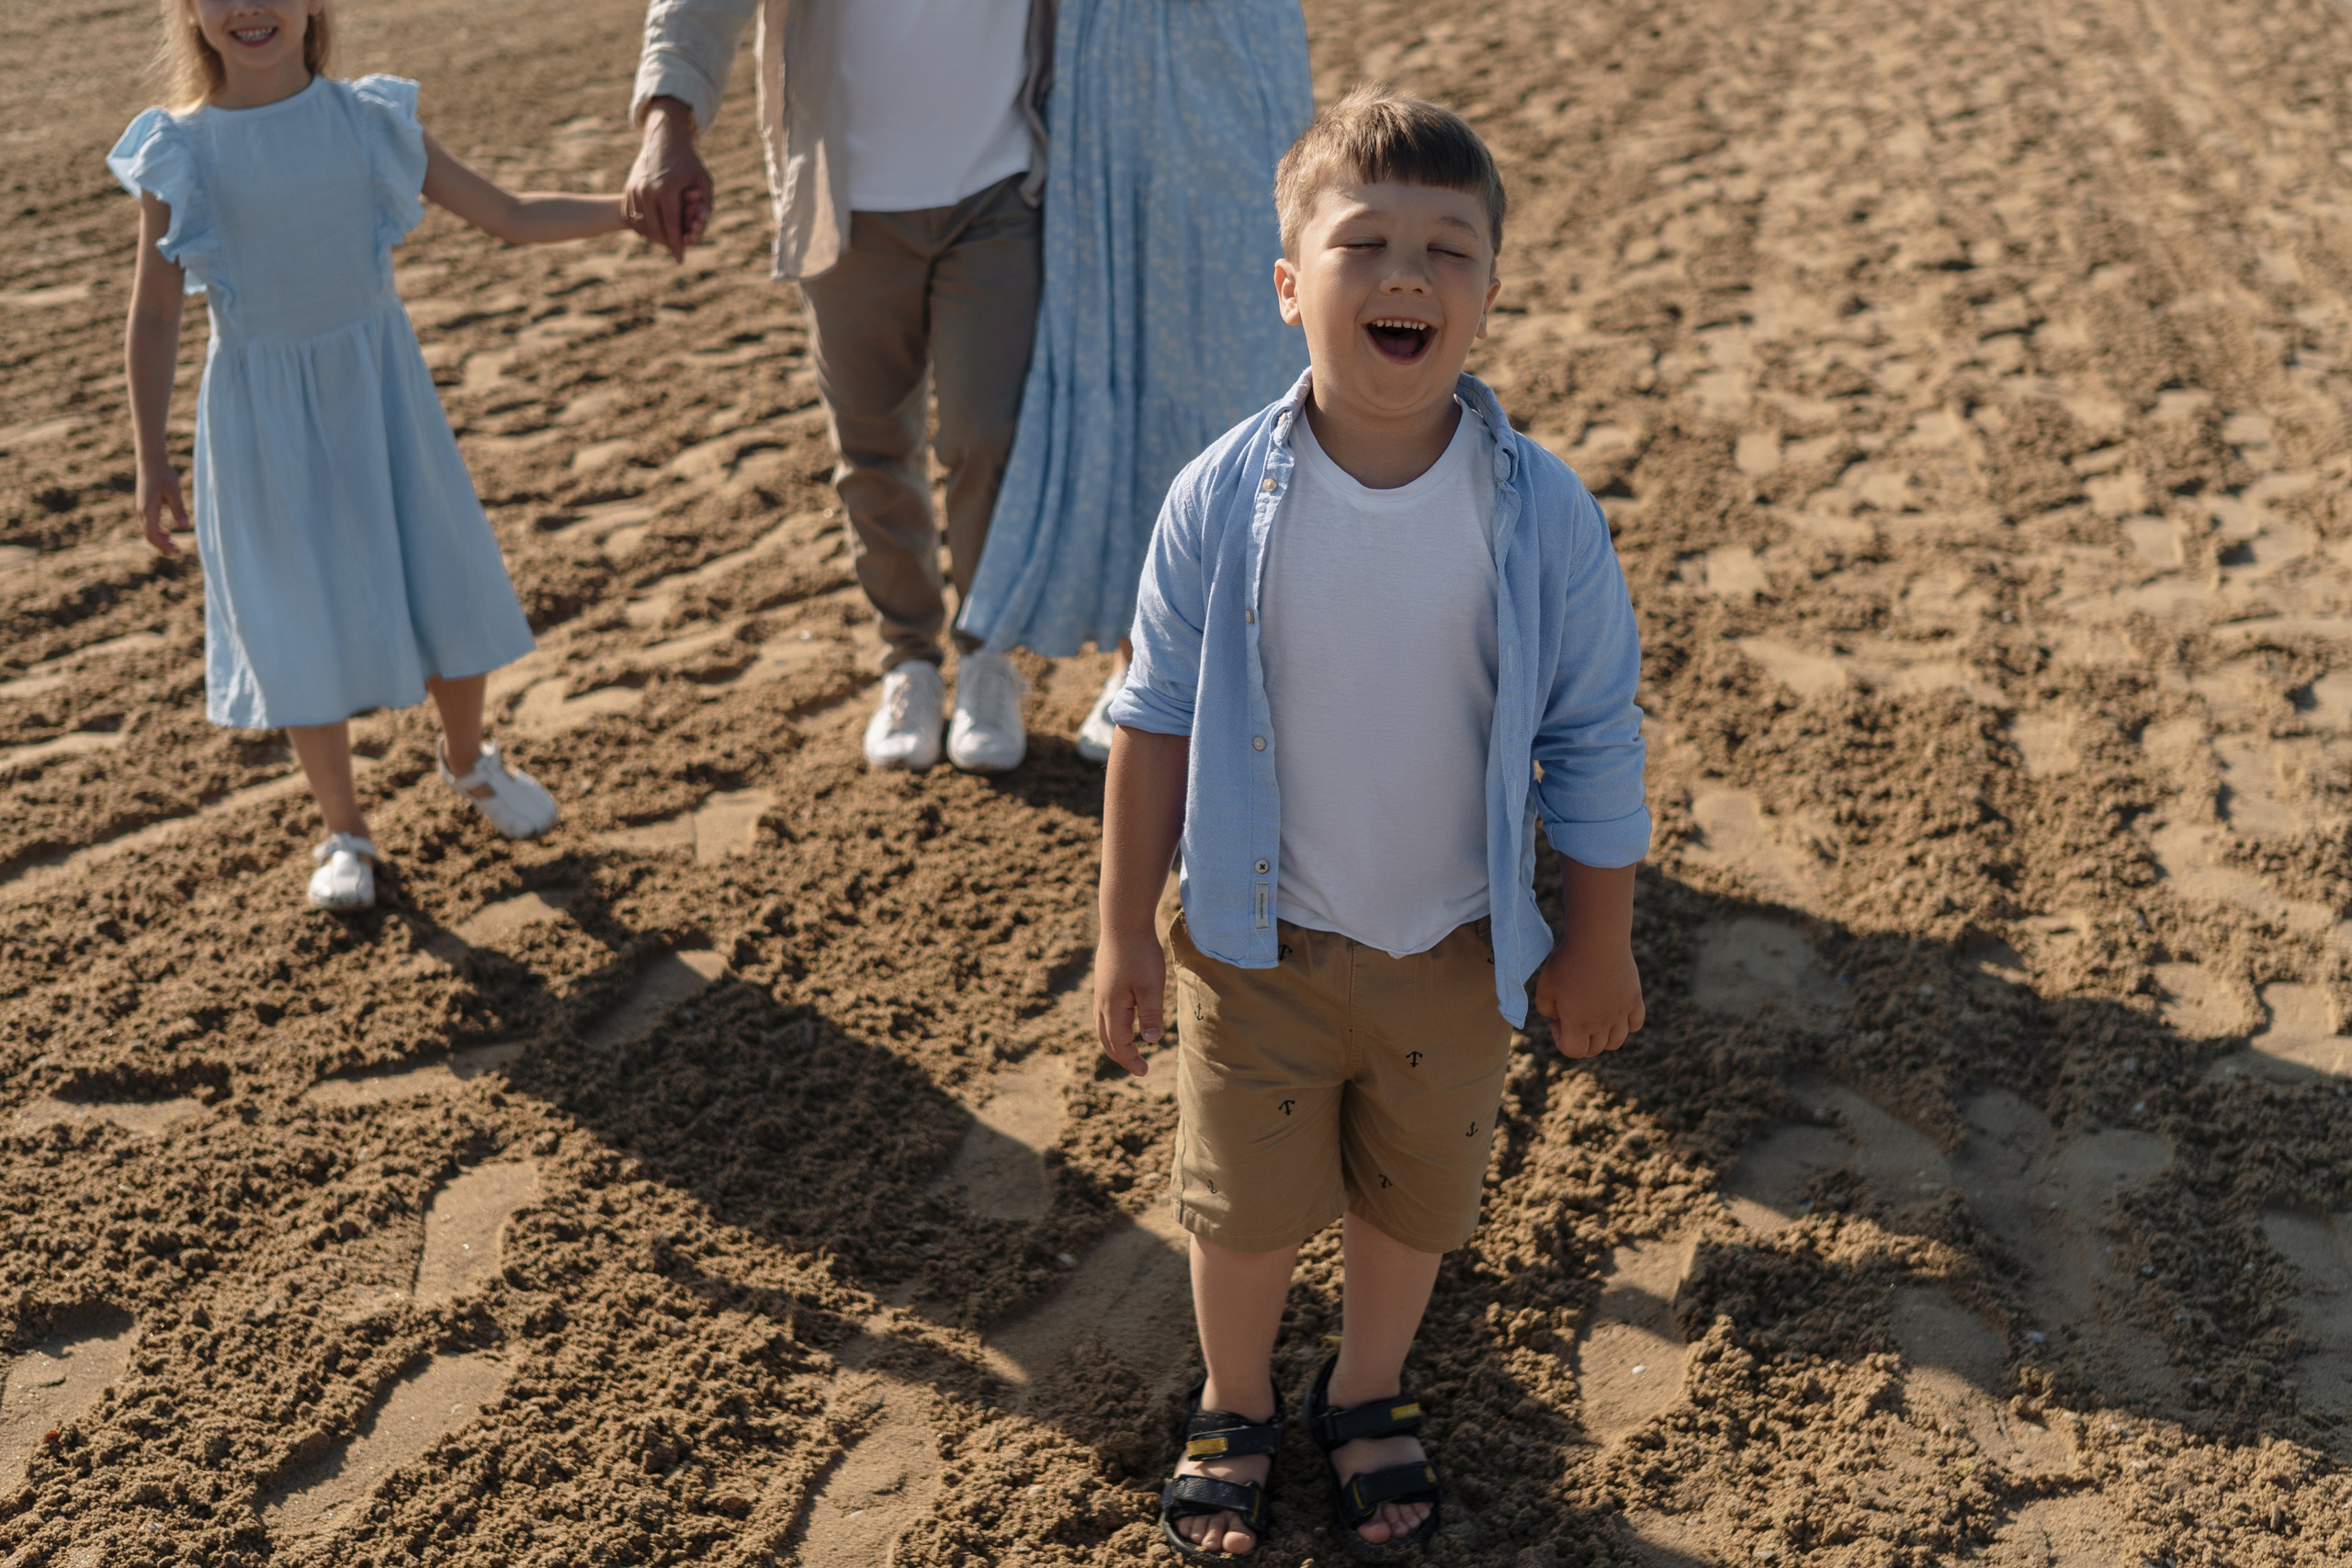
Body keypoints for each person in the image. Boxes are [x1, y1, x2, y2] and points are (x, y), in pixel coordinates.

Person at [1091, 90, 1652, 1559]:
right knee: (1245, 1204)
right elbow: (1149, 722)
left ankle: (1368, 1385)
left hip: (1457, 947)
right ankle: (1232, 1401)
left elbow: (1593, 735)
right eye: (1366, 243)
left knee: (1417, 1191)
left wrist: (1597, 938)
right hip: (1253, 940)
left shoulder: (1540, 512)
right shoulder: (1218, 499)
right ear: (1292, 287)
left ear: (1488, 292)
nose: (1408, 273)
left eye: (1448, 248)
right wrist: (1119, 936)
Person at [116, 0, 632, 912]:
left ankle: (469, 762)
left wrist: (630, 212)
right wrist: (150, 457)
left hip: (381, 399)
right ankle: (343, 831)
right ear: (189, 12)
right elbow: (156, 315)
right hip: (258, 420)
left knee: (443, 577)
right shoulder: (179, 151)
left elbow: (508, 215)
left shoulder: (369, 122)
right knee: (291, 615)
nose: (250, 8)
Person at [626, 0, 1055, 773]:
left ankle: (991, 658)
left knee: (988, 436)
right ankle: (911, 661)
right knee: (872, 445)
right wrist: (668, 120)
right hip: (842, 193)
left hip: (1001, 187)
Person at [953, 0, 1311, 763]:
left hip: (1234, 41)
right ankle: (1133, 652)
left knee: (1231, 356)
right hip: (1106, 52)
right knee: (1120, 342)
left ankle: (1182, 658)